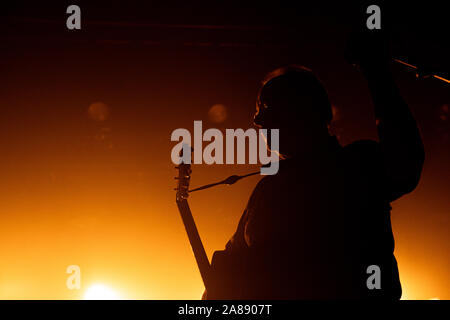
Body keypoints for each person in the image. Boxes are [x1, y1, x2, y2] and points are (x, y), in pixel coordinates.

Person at [204, 35, 425, 299]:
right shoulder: (268, 189)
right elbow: (233, 262)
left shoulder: (357, 166)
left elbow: (405, 162)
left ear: (304, 112)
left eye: (267, 108)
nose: (258, 121)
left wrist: (376, 73)